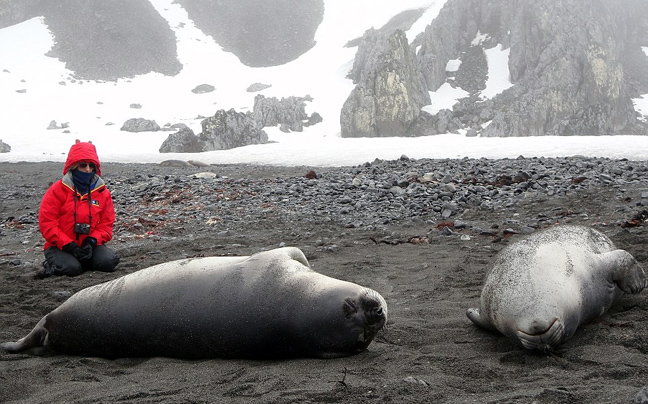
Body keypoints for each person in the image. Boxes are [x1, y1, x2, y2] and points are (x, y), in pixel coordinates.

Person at [38, 140, 120, 278]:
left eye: (91, 165)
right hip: (60, 245)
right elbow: (47, 223)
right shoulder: (57, 190)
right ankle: (53, 263)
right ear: (74, 166)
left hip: (89, 245)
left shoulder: (102, 192)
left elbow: (107, 224)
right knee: (71, 269)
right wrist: (69, 245)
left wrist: (92, 241)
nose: (88, 169)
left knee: (108, 263)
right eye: (83, 165)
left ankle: (83, 261)